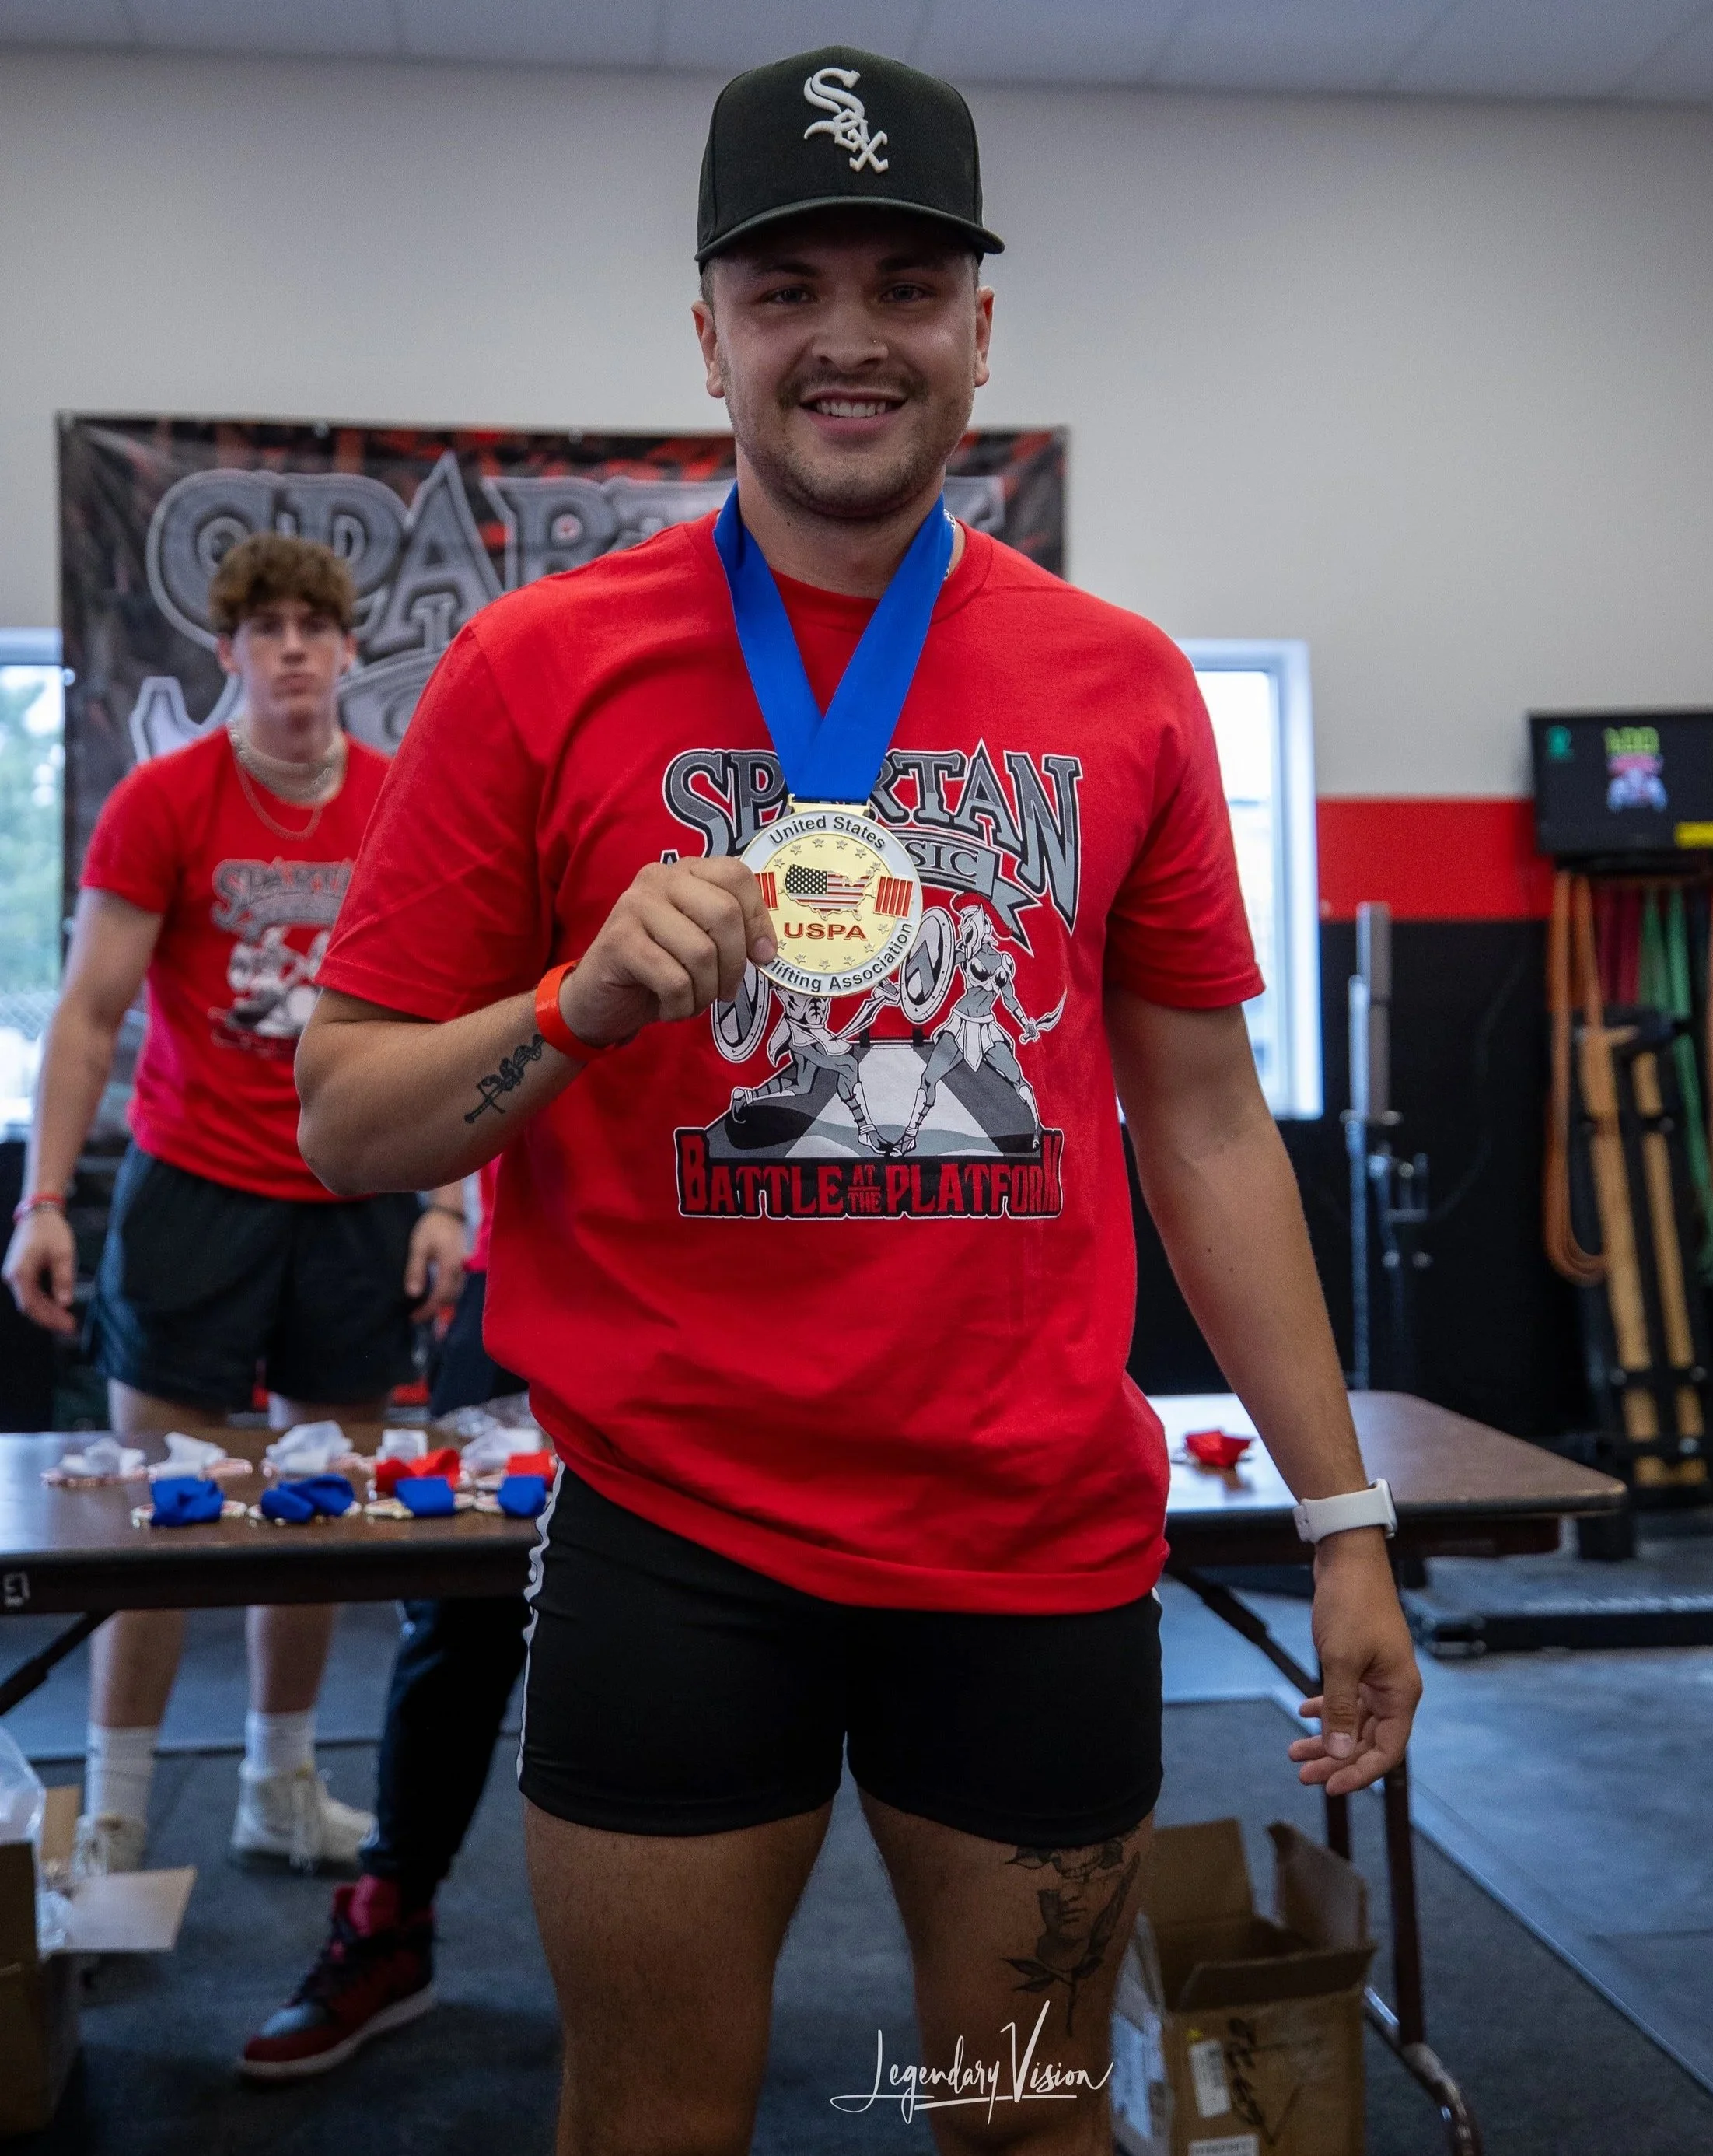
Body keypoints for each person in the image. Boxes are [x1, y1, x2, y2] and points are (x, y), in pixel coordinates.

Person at [295, 46, 1423, 2156]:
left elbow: (1202, 1125)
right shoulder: (536, 667)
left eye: (905, 285)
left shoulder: (1122, 684)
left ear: (978, 329)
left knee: (1014, 2111)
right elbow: (344, 1122)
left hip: (1029, 1538)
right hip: (673, 1536)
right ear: (707, 331)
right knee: (654, 2117)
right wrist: (576, 998)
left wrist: (1341, 1518)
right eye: (787, 287)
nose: (849, 336)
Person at [2, 534, 468, 1876]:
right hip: (195, 1187)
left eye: (315, 627)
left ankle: (277, 1782)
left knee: (318, 1502)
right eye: (268, 629)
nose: (294, 650)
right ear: (230, 653)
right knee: (159, 1509)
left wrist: (449, 1199)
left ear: (348, 648)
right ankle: (116, 1813)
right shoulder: (165, 800)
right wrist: (43, 1201)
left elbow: (450, 1003)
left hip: (354, 1184)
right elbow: (87, 1014)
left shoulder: (396, 799)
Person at [239, 1162, 535, 2080]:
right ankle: (390, 1921)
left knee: (714, 1614)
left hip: (731, 1274)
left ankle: (694, 1955)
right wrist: (446, 1205)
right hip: (529, 1263)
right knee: (461, 1604)